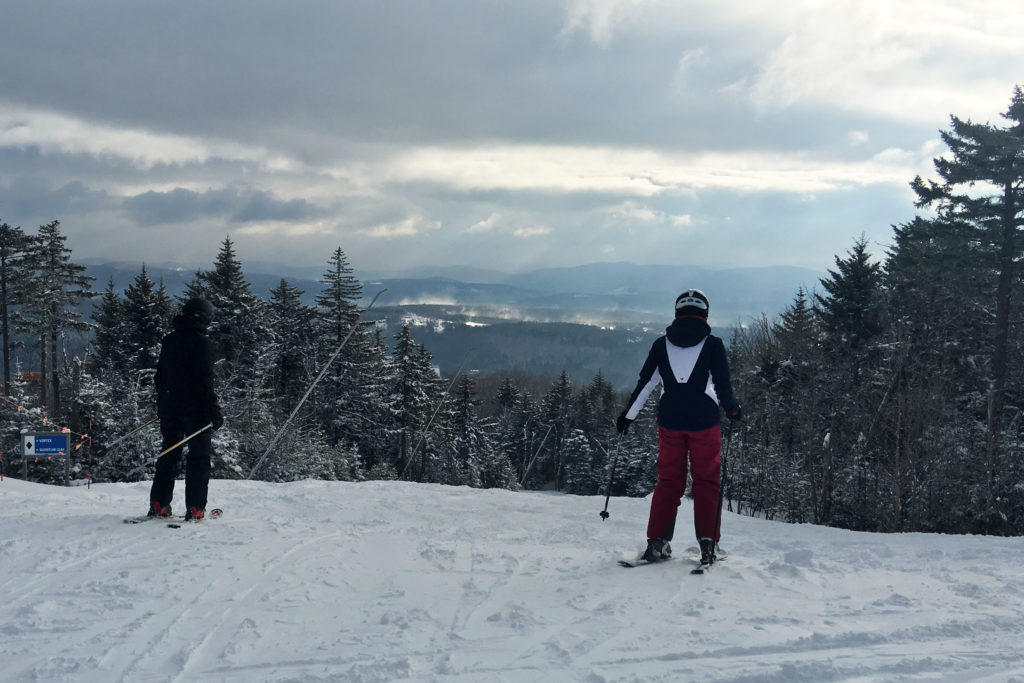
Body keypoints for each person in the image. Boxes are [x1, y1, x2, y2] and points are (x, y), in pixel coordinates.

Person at [617, 289, 741, 567]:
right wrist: (733, 411)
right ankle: (708, 545)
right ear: (705, 315)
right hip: (705, 423)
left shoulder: (661, 345)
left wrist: (628, 416)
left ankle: (657, 543)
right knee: (706, 481)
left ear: (676, 314)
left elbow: (646, 384)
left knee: (669, 481)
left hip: (670, 422)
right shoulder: (713, 344)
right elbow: (722, 386)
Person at [147, 296, 223, 521]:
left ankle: (159, 505)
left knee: (169, 454)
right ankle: (195, 509)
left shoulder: (169, 340)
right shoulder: (201, 343)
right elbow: (204, 381)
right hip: (196, 411)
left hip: (170, 408)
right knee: (199, 459)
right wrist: (214, 411)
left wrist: (165, 402)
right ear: (203, 318)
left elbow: (159, 376)